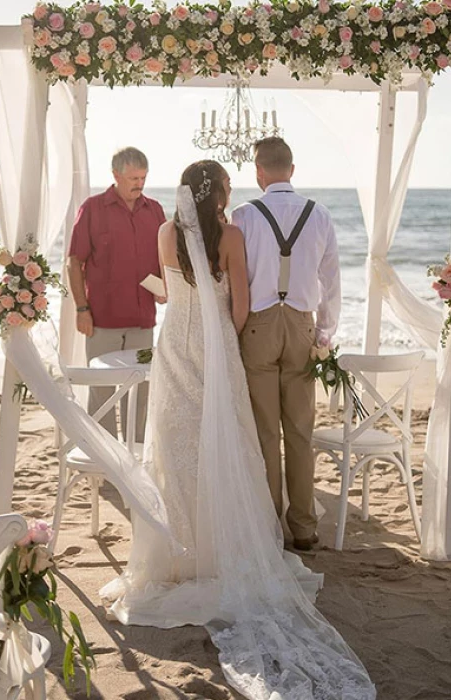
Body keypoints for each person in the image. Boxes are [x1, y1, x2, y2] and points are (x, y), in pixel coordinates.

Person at [100, 162, 374, 699]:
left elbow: (171, 288)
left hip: (176, 339)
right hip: (216, 340)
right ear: (221, 192)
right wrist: (229, 320)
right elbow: (240, 303)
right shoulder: (227, 234)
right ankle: (226, 544)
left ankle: (179, 554)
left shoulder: (162, 231)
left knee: (176, 443)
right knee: (226, 437)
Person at [230, 137, 341, 551]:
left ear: (258, 171)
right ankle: (304, 528)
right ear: (291, 170)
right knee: (299, 431)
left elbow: (233, 280)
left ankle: (268, 527)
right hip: (301, 325)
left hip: (258, 327)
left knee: (264, 432)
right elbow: (331, 281)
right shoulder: (321, 215)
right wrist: (325, 333)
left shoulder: (243, 215)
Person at [67, 147, 165, 440]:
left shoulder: (155, 210)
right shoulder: (92, 209)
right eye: (134, 178)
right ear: (116, 175)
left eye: (143, 178)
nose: (139, 184)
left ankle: (134, 467)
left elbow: (164, 257)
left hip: (143, 322)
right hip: (101, 322)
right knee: (102, 395)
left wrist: (164, 288)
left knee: (140, 394)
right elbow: (74, 261)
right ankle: (106, 469)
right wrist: (81, 309)